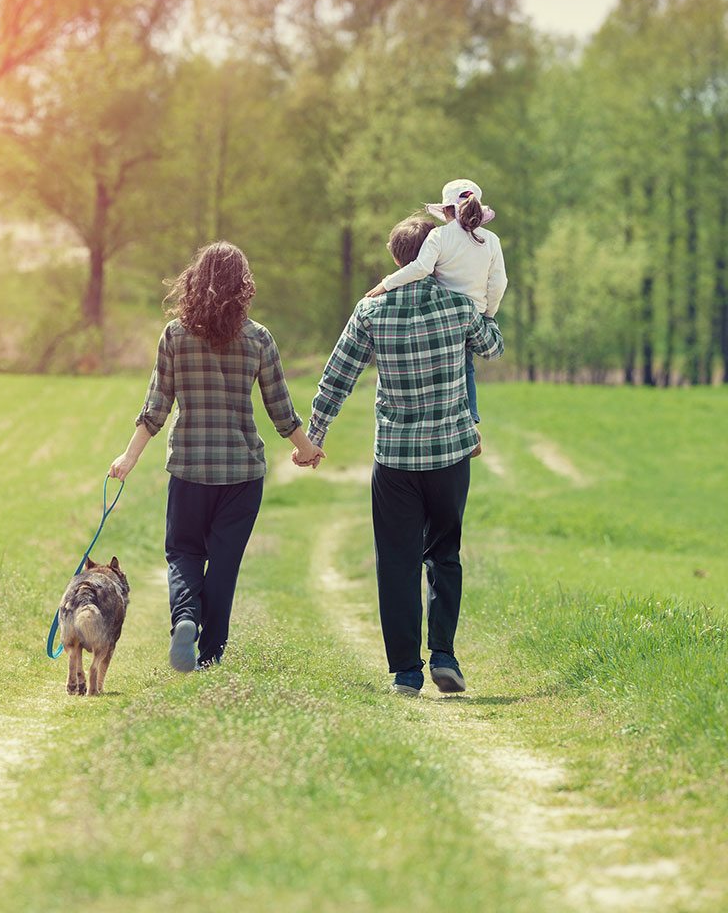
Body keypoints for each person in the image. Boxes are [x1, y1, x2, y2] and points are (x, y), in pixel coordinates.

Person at [298, 216, 504, 695]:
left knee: (396, 562)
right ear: (439, 254)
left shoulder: (371, 310)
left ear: (395, 259)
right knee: (445, 553)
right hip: (449, 453)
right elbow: (492, 348)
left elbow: (337, 376)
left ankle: (407, 672)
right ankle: (445, 654)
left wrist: (315, 435)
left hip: (394, 459)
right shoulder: (457, 305)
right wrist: (484, 302)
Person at [109, 241, 323, 672]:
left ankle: (185, 618)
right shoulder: (258, 338)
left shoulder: (174, 335)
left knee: (184, 552)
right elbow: (280, 407)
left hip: (189, 469)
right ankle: (209, 656)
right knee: (224, 565)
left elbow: (156, 407)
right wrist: (305, 448)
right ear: (243, 286)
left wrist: (128, 458)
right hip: (241, 474)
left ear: (194, 280)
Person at [365, 179, 507, 436]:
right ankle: (469, 422)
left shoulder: (438, 236)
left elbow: (421, 268)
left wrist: (386, 284)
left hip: (442, 312)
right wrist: (489, 314)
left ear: (446, 210)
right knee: (465, 365)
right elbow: (499, 282)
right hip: (473, 314)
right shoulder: (491, 240)